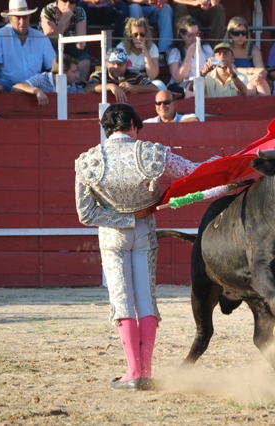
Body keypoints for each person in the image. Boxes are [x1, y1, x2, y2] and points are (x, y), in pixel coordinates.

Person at [75, 103, 216, 391]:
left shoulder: (88, 161)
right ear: (133, 125)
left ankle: (133, 371)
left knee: (122, 299)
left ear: (106, 128)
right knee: (146, 300)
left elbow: (86, 213)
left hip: (113, 234)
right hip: (145, 232)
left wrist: (124, 218)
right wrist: (219, 166)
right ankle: (146, 371)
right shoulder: (152, 153)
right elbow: (192, 173)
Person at [0, 0, 56, 92]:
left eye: (25, 17)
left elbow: (54, 67)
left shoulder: (41, 38)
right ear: (10, 19)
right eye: (18, 18)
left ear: (29, 17)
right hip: (8, 84)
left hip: (33, 84)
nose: (22, 22)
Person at [41, 0, 92, 82]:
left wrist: (80, 43)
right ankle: (57, 85)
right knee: (57, 60)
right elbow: (52, 39)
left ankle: (80, 84)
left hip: (70, 44)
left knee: (84, 56)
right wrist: (63, 21)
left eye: (72, 2)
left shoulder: (79, 11)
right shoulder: (49, 10)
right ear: (58, 1)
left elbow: (81, 37)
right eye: (64, 1)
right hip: (51, 45)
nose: (68, 4)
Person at [85, 47, 158, 103]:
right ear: (106, 64)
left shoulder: (133, 74)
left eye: (120, 64)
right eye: (113, 64)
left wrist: (133, 88)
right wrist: (110, 86)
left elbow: (154, 88)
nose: (116, 67)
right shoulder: (99, 74)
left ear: (126, 64)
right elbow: (88, 88)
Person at [166, 16, 213, 97]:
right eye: (190, 35)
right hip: (182, 85)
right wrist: (189, 54)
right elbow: (177, 78)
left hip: (204, 81)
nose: (195, 38)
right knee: (194, 87)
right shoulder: (175, 51)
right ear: (182, 35)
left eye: (197, 34)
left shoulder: (205, 47)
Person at [224, 16, 270, 96]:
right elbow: (233, 70)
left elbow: (261, 69)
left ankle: (268, 106)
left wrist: (260, 74)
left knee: (260, 81)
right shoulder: (225, 49)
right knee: (251, 86)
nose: (241, 36)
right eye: (237, 33)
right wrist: (252, 71)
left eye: (244, 33)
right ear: (230, 34)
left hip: (253, 79)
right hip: (232, 79)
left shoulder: (253, 49)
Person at [12, 54, 81, 105]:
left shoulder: (71, 84)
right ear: (63, 72)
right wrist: (37, 91)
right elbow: (16, 87)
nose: (77, 75)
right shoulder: (42, 78)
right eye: (74, 71)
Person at [118, 17, 166, 90]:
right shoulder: (121, 47)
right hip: (129, 81)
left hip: (146, 81)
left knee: (161, 85)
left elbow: (152, 75)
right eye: (135, 35)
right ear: (129, 35)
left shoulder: (152, 47)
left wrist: (145, 51)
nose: (139, 37)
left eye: (142, 34)